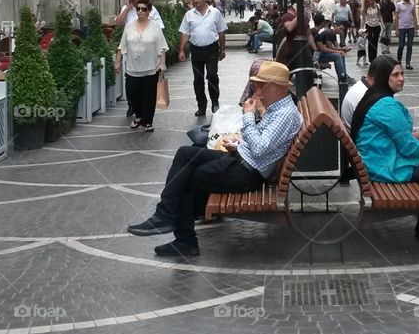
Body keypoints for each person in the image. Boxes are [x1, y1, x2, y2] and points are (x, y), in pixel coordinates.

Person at [127, 62, 303, 258]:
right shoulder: (279, 107)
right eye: (256, 85)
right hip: (241, 160)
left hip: (246, 173)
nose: (257, 90)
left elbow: (261, 149)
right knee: (186, 154)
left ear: (277, 87)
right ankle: (165, 215)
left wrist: (247, 117)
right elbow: (262, 146)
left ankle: (182, 236)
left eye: (262, 86)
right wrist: (238, 145)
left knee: (186, 178)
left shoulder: (285, 114)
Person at [350, 56, 419, 240]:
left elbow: (402, 138)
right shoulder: (386, 105)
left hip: (376, 157)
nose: (401, 78)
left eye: (402, 73)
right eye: (395, 75)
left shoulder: (374, 96)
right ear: (385, 77)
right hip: (383, 165)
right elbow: (408, 147)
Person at [116, 0, 168, 131]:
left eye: (143, 9)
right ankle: (138, 116)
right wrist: (117, 61)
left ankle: (148, 122)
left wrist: (162, 63)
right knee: (132, 94)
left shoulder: (155, 27)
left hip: (151, 68)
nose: (140, 11)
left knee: (149, 97)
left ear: (149, 11)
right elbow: (122, 46)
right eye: (138, 9)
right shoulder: (129, 26)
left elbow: (162, 47)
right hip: (132, 68)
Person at [179, 0, 227, 117]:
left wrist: (222, 49)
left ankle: (215, 101)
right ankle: (201, 106)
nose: (195, 1)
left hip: (212, 49)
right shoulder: (189, 15)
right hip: (196, 51)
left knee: (212, 75)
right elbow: (185, 33)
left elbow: (221, 32)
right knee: (198, 80)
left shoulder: (215, 13)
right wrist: (181, 50)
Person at [395, 0, 418, 68]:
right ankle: (399, 61)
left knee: (410, 46)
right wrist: (396, 29)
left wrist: (416, 28)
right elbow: (396, 17)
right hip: (401, 27)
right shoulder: (399, 5)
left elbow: (414, 16)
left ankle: (408, 63)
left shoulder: (412, 4)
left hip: (410, 27)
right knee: (401, 45)